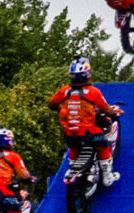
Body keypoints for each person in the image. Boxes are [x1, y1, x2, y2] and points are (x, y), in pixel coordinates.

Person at [49, 58, 122, 187]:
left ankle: (72, 166)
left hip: (70, 134)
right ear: (87, 74)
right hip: (89, 133)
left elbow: (52, 104)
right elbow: (105, 108)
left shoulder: (63, 91)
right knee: (104, 142)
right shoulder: (93, 92)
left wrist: (63, 109)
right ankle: (107, 176)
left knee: (73, 146)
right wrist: (114, 112)